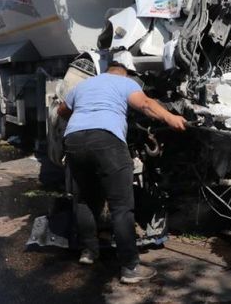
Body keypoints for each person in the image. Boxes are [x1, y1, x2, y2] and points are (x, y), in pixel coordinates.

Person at [59, 61, 187, 284]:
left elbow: (62, 110)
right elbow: (146, 104)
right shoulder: (125, 83)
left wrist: (84, 120)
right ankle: (130, 268)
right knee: (121, 206)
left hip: (74, 140)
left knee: (85, 199)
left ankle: (89, 252)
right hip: (107, 139)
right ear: (124, 74)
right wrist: (170, 118)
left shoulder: (84, 84)